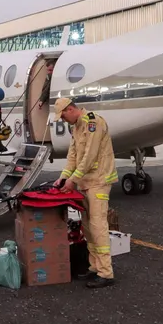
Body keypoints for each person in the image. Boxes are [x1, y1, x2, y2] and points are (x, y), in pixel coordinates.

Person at [53, 97, 117, 289]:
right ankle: (95, 266)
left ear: (71, 109)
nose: (63, 120)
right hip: (85, 182)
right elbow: (73, 155)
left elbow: (89, 156)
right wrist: (64, 177)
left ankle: (106, 272)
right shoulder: (77, 127)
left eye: (63, 116)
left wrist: (73, 180)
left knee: (98, 225)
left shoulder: (93, 122)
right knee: (87, 226)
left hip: (99, 181)